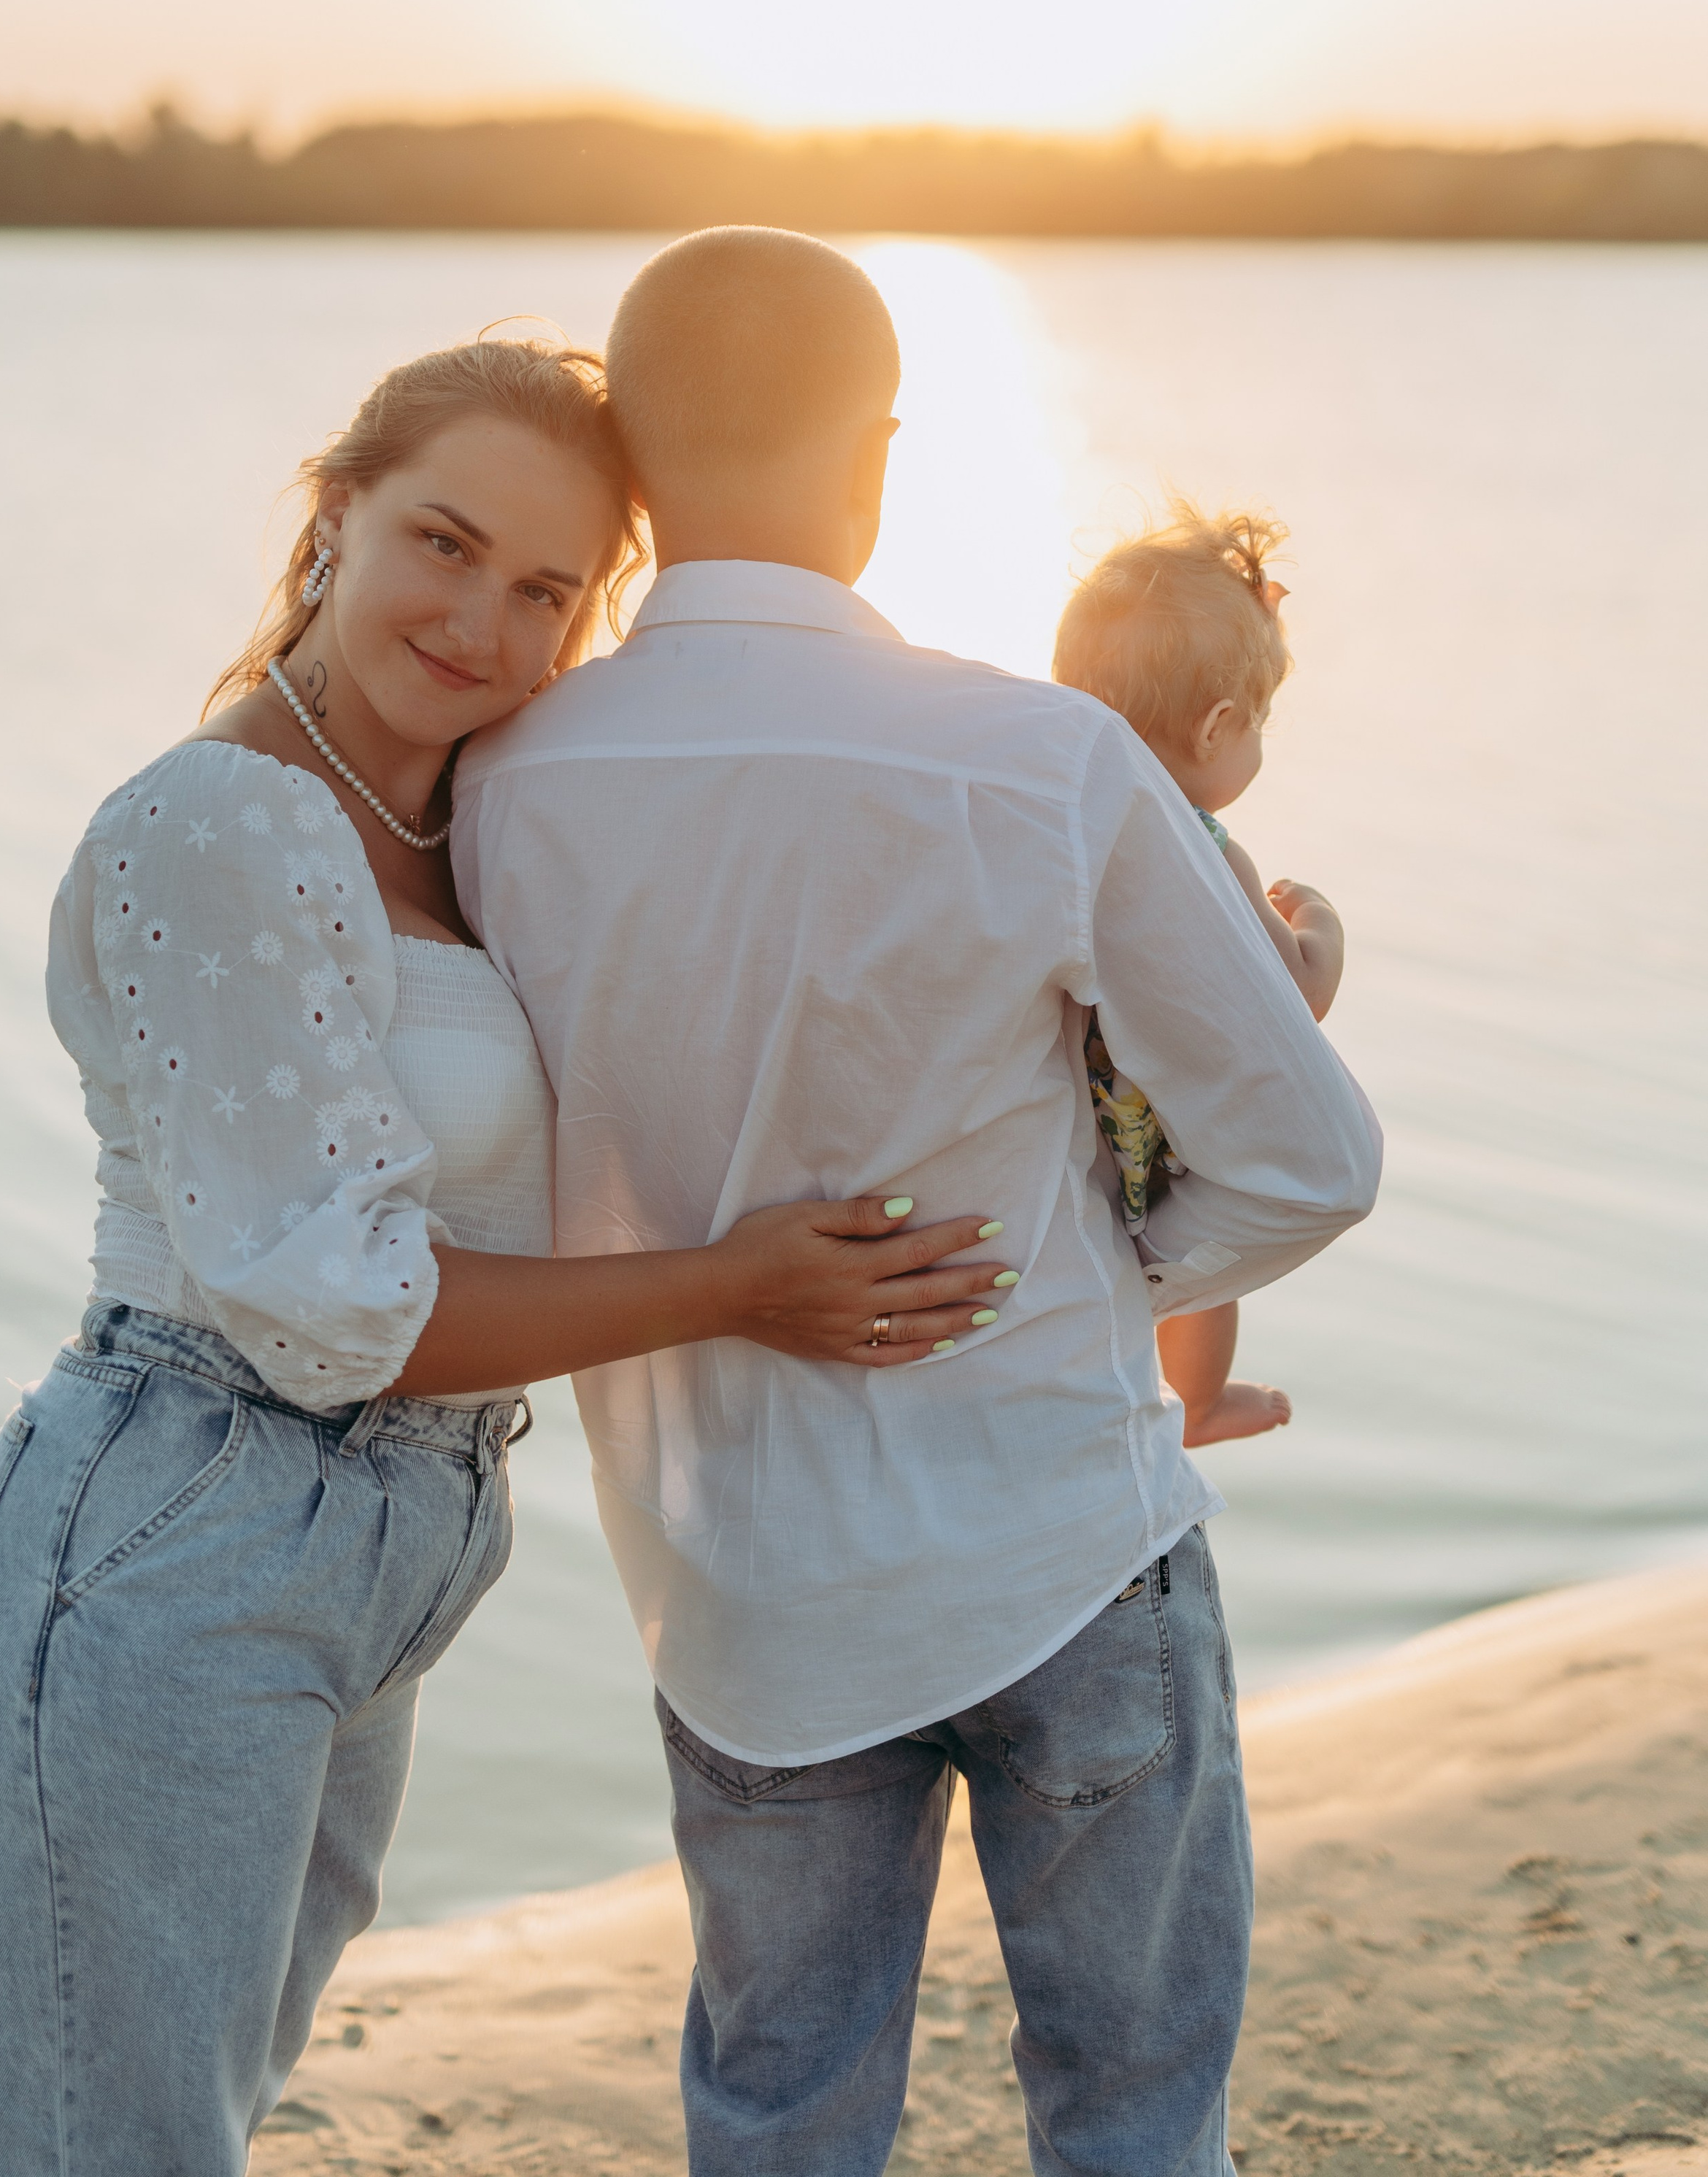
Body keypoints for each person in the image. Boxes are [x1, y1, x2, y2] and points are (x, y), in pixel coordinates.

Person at [0, 337, 1004, 2177]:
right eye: (443, 541)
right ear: (334, 514)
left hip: (375, 1549)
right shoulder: (221, 821)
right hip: (165, 1544)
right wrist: (741, 1284)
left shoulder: (473, 834)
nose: (480, 617)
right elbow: (337, 1306)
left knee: (181, 2126)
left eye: (546, 588)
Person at [449, 231, 1382, 2177]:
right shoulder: (1038, 762)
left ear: (634, 459)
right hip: (1064, 1533)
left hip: (737, 1589)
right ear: (875, 455)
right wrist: (1093, 1281)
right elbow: (1312, 1158)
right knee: (1130, 2114)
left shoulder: (501, 784)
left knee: (783, 2115)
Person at [1053, 504, 1345, 1448]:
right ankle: (1201, 1401)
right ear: (1219, 726)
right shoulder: (1211, 852)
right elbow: (1295, 999)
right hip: (1160, 1119)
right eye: (1258, 724)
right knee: (1209, 1256)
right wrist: (1323, 928)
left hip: (1071, 1112)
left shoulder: (1062, 823)